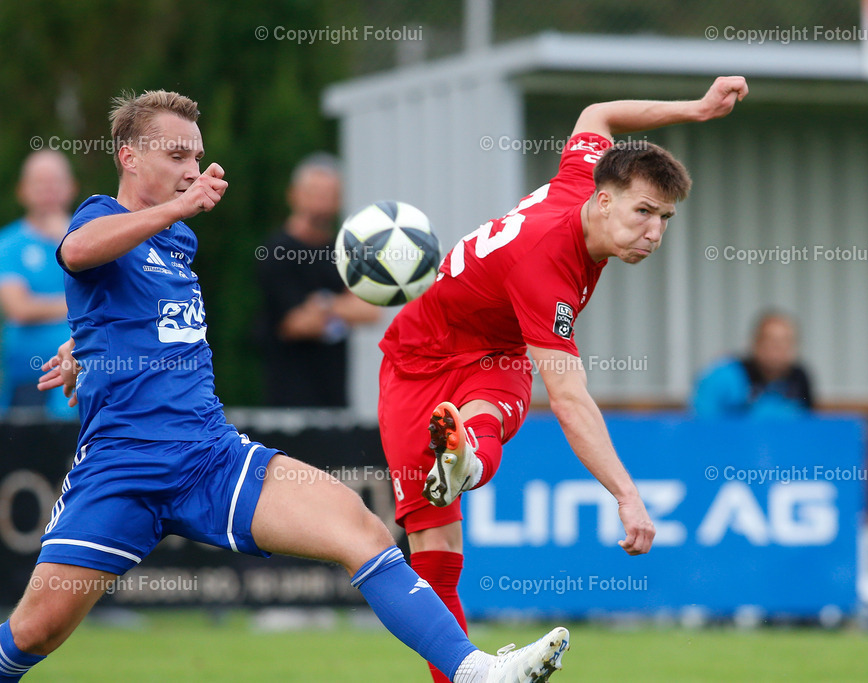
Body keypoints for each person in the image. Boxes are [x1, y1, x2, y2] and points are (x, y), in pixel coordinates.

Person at [0, 90, 568, 682]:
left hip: (209, 457)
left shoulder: (177, 240)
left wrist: (80, 348)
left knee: (360, 526)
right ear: (129, 157)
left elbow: (139, 314)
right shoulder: (101, 214)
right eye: (174, 155)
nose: (192, 171)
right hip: (124, 465)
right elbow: (79, 251)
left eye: (196, 157)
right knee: (35, 632)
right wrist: (173, 213)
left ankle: (477, 672)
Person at [378, 77, 748, 682]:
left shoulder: (584, 177)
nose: (654, 232)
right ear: (605, 202)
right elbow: (570, 401)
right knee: (436, 560)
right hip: (426, 360)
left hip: (456, 354)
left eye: (664, 218)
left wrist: (697, 109)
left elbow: (597, 112)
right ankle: (466, 459)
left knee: (443, 544)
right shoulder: (546, 267)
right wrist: (627, 495)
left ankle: (464, 457)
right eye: (643, 212)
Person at [255, 154, 380, 407]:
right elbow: (297, 323)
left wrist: (324, 304)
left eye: (330, 194)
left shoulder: (344, 251)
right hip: (289, 400)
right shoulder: (277, 251)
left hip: (335, 397)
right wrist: (344, 306)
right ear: (294, 195)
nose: (322, 202)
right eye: (315, 193)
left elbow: (370, 310)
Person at [0, 151, 76, 418]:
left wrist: (69, 239)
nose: (48, 191)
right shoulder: (9, 244)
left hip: (85, 364)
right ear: (23, 190)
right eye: (40, 183)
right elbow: (19, 308)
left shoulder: (89, 242)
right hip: (28, 371)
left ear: (71, 188)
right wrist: (80, 306)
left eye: (55, 182)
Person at [691, 310, 814, 418]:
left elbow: (804, 423)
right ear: (755, 343)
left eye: (786, 342)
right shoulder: (725, 376)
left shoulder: (799, 378)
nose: (778, 348)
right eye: (771, 341)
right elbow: (703, 422)